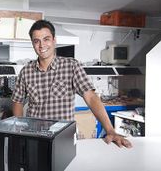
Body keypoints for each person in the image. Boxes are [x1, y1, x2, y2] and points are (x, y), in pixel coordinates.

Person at [11, 19, 132, 148]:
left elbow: (91, 97)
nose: (41, 45)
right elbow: (17, 101)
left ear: (54, 40)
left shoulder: (71, 66)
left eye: (46, 39)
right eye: (36, 41)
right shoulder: (26, 71)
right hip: (35, 136)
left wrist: (110, 130)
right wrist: (20, 130)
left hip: (63, 137)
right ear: (33, 44)